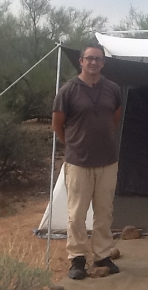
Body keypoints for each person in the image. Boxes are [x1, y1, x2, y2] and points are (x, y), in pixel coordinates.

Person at [52, 43, 122, 280]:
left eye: (98, 59)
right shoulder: (68, 90)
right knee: (77, 214)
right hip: (78, 162)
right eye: (89, 58)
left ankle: (102, 256)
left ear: (103, 63)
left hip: (107, 161)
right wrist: (74, 144)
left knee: (104, 211)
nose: (94, 63)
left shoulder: (113, 89)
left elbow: (114, 118)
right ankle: (78, 259)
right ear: (81, 61)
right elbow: (57, 124)